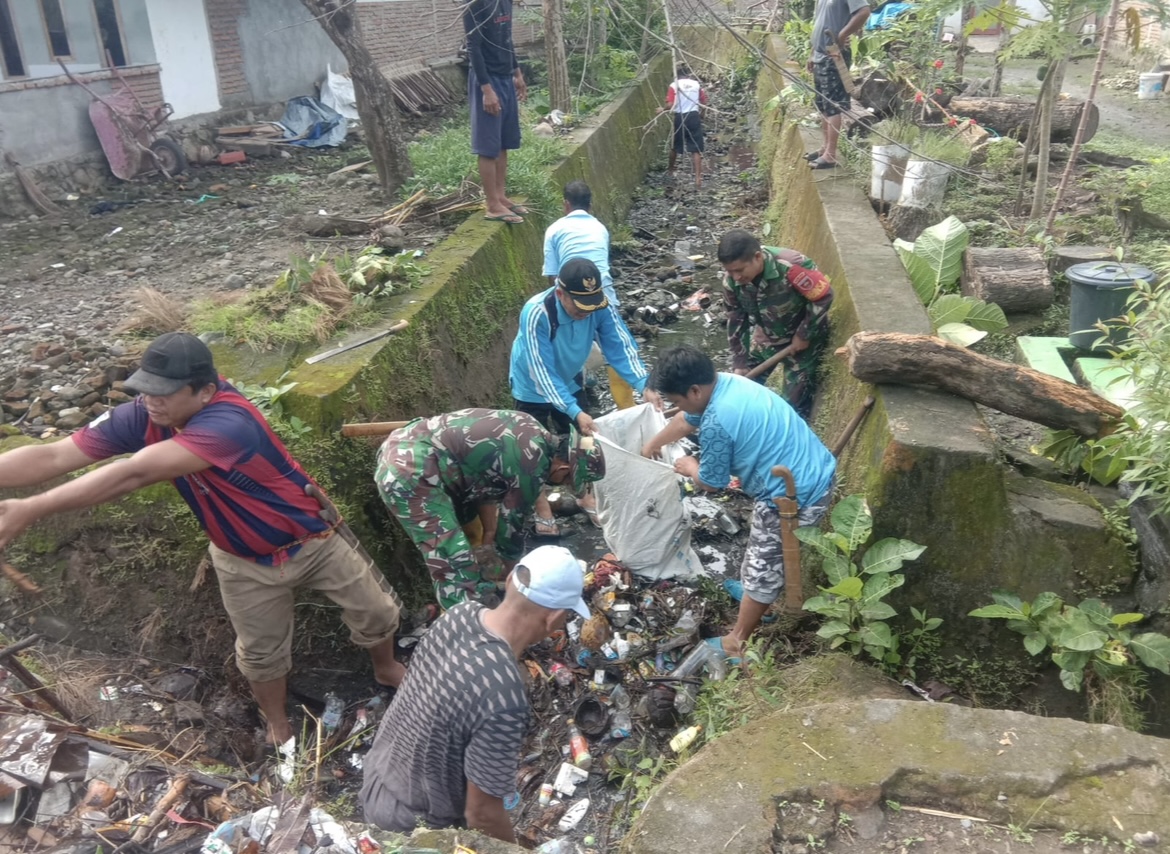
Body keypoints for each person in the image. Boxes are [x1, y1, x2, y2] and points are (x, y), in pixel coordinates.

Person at [0, 333, 405, 746]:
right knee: (260, 654)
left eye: (165, 393)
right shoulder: (144, 415)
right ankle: (277, 722)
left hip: (313, 538)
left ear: (206, 391)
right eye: (145, 390)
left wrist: (30, 508)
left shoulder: (230, 423)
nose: (151, 402)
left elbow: (134, 473)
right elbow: (53, 455)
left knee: (376, 612)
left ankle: (386, 667)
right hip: (241, 559)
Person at [361, 544, 590, 843]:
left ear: (510, 582)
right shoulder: (504, 694)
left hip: (377, 775)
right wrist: (513, 850)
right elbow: (481, 814)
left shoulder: (460, 613)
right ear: (554, 618)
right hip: (412, 824)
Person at [641, 345, 836, 659]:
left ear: (694, 390)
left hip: (793, 495)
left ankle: (739, 640)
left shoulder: (718, 422)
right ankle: (757, 599)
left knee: (764, 567)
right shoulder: (727, 383)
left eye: (676, 400)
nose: (676, 406)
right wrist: (652, 443)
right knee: (761, 550)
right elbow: (686, 420)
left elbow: (712, 482)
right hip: (809, 468)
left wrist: (690, 467)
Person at [375, 409, 604, 610]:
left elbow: (487, 484)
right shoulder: (531, 464)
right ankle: (464, 628)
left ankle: (481, 584)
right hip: (409, 472)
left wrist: (489, 535)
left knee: (468, 539)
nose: (562, 483)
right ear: (563, 465)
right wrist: (516, 578)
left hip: (418, 448)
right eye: (566, 479)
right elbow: (511, 527)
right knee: (453, 561)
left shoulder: (531, 427)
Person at [509, 257, 659, 533]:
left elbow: (619, 346)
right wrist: (574, 411)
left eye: (592, 305)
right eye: (580, 306)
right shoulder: (536, 313)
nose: (587, 312)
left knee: (584, 442)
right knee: (531, 451)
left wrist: (644, 384)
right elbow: (542, 372)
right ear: (560, 293)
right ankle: (542, 507)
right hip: (532, 385)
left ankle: (584, 494)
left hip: (571, 376)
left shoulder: (597, 306)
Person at [717, 228, 833, 420]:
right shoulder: (732, 282)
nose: (736, 277)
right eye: (729, 271)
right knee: (740, 389)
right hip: (767, 335)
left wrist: (804, 334)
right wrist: (740, 362)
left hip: (803, 340)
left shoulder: (792, 266)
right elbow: (736, 319)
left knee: (792, 405)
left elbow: (824, 296)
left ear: (758, 257)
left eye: (739, 270)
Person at [542, 181, 635, 409]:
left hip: (570, 296)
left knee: (570, 339)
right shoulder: (600, 228)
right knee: (615, 350)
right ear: (590, 205)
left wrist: (562, 302)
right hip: (603, 295)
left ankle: (578, 386)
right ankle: (628, 409)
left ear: (565, 204)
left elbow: (552, 276)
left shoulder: (554, 229)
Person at [464, 0, 528, 224]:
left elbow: (507, 40)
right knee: (488, 145)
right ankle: (492, 205)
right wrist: (486, 89)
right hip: (487, 79)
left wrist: (517, 73)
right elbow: (473, 47)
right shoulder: (476, 3)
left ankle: (500, 196)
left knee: (503, 141)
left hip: (505, 77)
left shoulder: (505, 2)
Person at [807, 0, 870, 169]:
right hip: (820, 55)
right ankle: (824, 148)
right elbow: (821, 22)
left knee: (833, 105)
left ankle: (830, 155)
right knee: (823, 105)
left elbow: (864, 11)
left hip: (834, 54)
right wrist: (812, 53)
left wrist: (843, 34)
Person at [661, 65, 707, 188]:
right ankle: (698, 179)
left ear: (676, 74)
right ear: (688, 74)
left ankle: (671, 170)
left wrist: (662, 109)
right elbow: (703, 102)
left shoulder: (674, 85)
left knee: (675, 146)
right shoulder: (696, 85)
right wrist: (702, 114)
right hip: (693, 116)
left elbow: (670, 104)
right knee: (696, 149)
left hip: (680, 117)